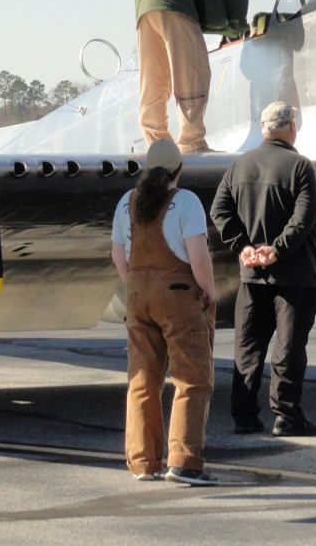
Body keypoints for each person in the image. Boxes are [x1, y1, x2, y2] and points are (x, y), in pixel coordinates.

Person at [210, 101, 316, 437]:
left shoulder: (239, 166)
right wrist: (276, 251)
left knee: (248, 345)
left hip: (251, 275)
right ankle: (286, 415)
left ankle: (244, 415)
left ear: (263, 129)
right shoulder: (302, 167)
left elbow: (220, 211)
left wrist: (244, 247)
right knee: (288, 346)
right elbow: (304, 219)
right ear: (291, 127)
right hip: (295, 275)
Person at [110, 138, 219, 486]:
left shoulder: (126, 203)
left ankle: (143, 462)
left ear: (146, 169)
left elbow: (118, 256)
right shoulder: (186, 201)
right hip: (177, 297)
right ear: (179, 170)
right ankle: (184, 462)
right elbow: (198, 257)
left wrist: (136, 284)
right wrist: (210, 292)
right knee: (191, 377)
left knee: (142, 379)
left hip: (138, 294)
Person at [134, 0, 212, 154]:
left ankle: (157, 143)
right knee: (192, 72)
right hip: (176, 5)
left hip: (144, 13)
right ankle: (192, 141)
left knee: (153, 77)